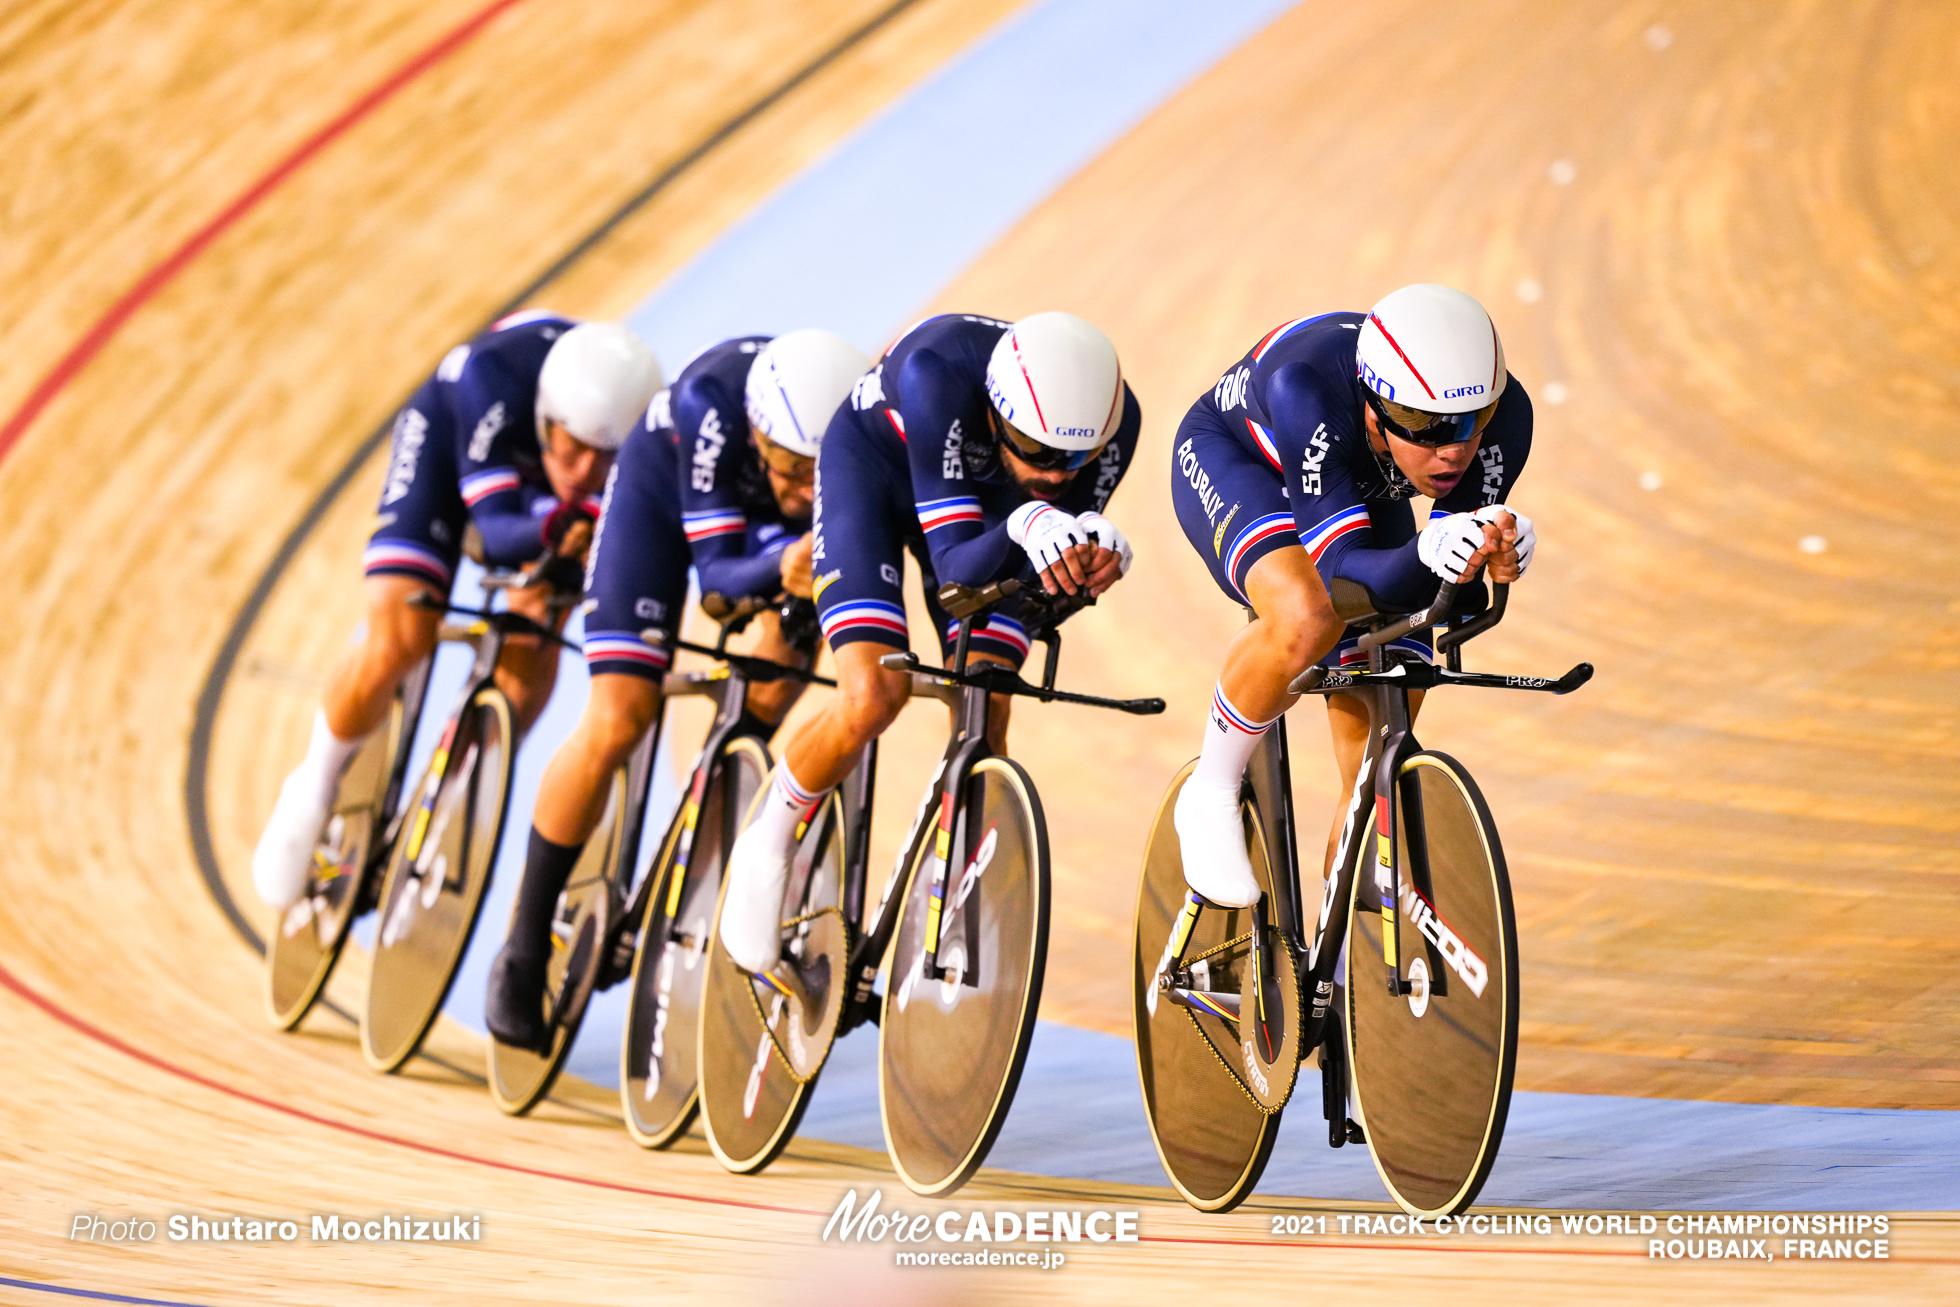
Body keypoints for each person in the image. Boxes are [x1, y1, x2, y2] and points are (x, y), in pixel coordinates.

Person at [716, 311, 1143, 975]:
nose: (1057, 474)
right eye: (1035, 449)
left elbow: (1041, 575)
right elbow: (954, 572)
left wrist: (1090, 556)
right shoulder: (934, 371)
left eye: (1074, 459)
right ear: (997, 413)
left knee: (986, 695)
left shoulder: (1116, 424)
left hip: (991, 508)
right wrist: (1032, 517)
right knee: (872, 695)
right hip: (874, 477)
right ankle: (766, 844)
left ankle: (956, 898)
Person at [484, 329, 868, 1048]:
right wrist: (790, 553)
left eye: (819, 475)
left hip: (777, 545)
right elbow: (720, 580)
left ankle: (703, 819)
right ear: (757, 434)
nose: (802, 488)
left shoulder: (844, 436)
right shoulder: (711, 405)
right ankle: (524, 944)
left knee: (777, 683)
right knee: (620, 717)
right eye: (788, 469)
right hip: (660, 507)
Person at [251, 312, 663, 912]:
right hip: (450, 446)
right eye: (573, 450)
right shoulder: (493, 376)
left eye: (605, 460)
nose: (583, 474)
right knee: (401, 639)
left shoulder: (644, 432)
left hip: (546, 503)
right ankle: (313, 784)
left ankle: (462, 791)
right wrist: (558, 522)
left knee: (540, 626)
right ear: (547, 420)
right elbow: (497, 531)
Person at [1167, 284, 1538, 906]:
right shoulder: (1304, 385)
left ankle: (1342, 938)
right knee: (1309, 616)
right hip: (1246, 462)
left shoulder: (1509, 417)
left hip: (1361, 481)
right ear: (1374, 407)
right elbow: (1342, 581)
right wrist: (1429, 552)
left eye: (1473, 423)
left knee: (1402, 661)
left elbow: (1450, 596)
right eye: (1424, 426)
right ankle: (1211, 789)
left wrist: (1494, 549)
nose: (1453, 449)